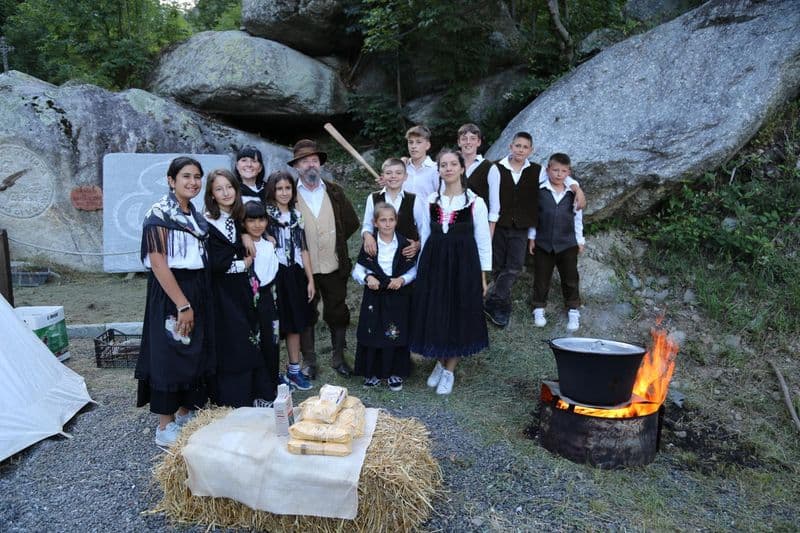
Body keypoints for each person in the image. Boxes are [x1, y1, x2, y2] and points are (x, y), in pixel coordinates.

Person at [135, 156, 213, 447]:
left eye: (197, 177)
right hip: (172, 291)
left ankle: (183, 413)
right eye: (186, 176)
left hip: (196, 287)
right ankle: (164, 425)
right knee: (169, 353)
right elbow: (158, 263)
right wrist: (182, 304)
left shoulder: (195, 216)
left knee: (191, 351)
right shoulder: (159, 214)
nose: (193, 182)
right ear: (171, 180)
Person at [409, 149, 492, 395]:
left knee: (458, 313)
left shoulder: (475, 202)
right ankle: (440, 360)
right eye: (443, 165)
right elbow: (425, 235)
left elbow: (483, 241)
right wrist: (421, 269)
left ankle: (449, 370)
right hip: (434, 264)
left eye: (453, 164)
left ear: (462, 168)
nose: (448, 168)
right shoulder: (431, 201)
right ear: (439, 171)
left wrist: (483, 276)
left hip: (463, 266)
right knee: (437, 312)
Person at [483, 132, 584, 328]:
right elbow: (493, 200)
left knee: (514, 266)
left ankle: (493, 300)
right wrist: (490, 230)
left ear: (531, 150)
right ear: (511, 147)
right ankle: (501, 304)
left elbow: (560, 176)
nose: (520, 150)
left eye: (525, 147)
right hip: (500, 224)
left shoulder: (536, 170)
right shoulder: (496, 168)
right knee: (498, 266)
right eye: (517, 146)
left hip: (521, 227)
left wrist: (576, 188)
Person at [204, 170, 277, 407]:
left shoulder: (238, 219)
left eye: (229, 187)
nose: (226, 193)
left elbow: (254, 229)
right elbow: (213, 264)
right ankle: (235, 398)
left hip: (244, 292)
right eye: (219, 189)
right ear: (211, 194)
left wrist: (245, 234)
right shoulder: (205, 222)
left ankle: (258, 392)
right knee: (233, 342)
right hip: (221, 293)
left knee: (251, 339)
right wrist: (242, 264)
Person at [289, 139, 360, 379]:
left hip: (333, 263)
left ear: (319, 164)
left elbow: (351, 222)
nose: (311, 165)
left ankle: (339, 357)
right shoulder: (288, 193)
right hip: (302, 267)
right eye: (304, 161)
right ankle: (309, 361)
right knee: (306, 311)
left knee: (337, 310)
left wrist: (334, 241)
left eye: (314, 160)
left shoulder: (334, 191)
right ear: (296, 166)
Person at [352, 203, 417, 391]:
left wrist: (402, 280)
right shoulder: (370, 245)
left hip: (397, 295)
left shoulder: (404, 244)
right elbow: (358, 270)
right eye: (383, 220)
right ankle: (371, 372)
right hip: (374, 296)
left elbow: (413, 270)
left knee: (395, 332)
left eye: (391, 220)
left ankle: (394, 372)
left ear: (396, 221)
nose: (387, 224)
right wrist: (367, 278)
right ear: (375, 223)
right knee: (372, 331)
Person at [264, 171, 315, 391]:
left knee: (295, 322)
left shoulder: (296, 215)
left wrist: (310, 279)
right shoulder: (265, 215)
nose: (284, 193)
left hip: (294, 273)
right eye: (279, 189)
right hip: (273, 273)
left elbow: (303, 248)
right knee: (275, 324)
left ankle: (294, 370)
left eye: (287, 188)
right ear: (272, 191)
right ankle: (272, 373)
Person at [529, 153, 586, 331]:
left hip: (567, 243)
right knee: (541, 277)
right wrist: (532, 237)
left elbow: (578, 218)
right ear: (548, 170)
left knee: (570, 278)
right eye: (555, 170)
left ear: (569, 172)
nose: (559, 174)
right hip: (543, 243)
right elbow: (534, 217)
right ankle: (539, 307)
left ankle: (573, 309)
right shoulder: (540, 191)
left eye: (563, 171)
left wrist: (580, 240)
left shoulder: (572, 193)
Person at [241, 201, 285, 396]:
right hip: (248, 302)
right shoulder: (241, 246)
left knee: (271, 344)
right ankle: (255, 390)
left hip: (269, 300)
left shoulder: (270, 245)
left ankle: (271, 388)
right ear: (243, 223)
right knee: (253, 345)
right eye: (251, 221)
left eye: (261, 220)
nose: (257, 225)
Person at [361, 157, 427, 259]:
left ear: (405, 176)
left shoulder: (414, 199)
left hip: (406, 257)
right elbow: (367, 225)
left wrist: (418, 244)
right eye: (388, 173)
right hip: (380, 255)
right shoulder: (373, 198)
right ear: (383, 176)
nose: (393, 176)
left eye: (398, 173)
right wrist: (367, 236)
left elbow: (424, 229)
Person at [457, 123, 500, 225]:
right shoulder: (452, 166)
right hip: (455, 222)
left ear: (479, 142)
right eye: (464, 139)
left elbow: (494, 204)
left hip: (480, 223)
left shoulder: (490, 168)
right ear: (459, 142)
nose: (468, 142)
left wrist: (490, 230)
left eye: (472, 138)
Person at [402, 125, 439, 199]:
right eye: (410, 142)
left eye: (418, 142)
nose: (413, 146)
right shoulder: (402, 167)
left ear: (427, 145)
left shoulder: (435, 169)